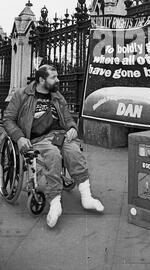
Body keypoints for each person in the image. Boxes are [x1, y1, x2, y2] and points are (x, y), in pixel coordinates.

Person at [3, 64, 104, 228]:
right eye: (53, 77)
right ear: (42, 80)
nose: (57, 80)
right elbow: (8, 119)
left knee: (74, 152)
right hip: (38, 139)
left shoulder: (57, 96)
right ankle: (55, 203)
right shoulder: (22, 95)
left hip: (59, 135)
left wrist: (72, 128)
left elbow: (68, 118)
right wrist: (19, 137)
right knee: (53, 155)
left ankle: (87, 198)